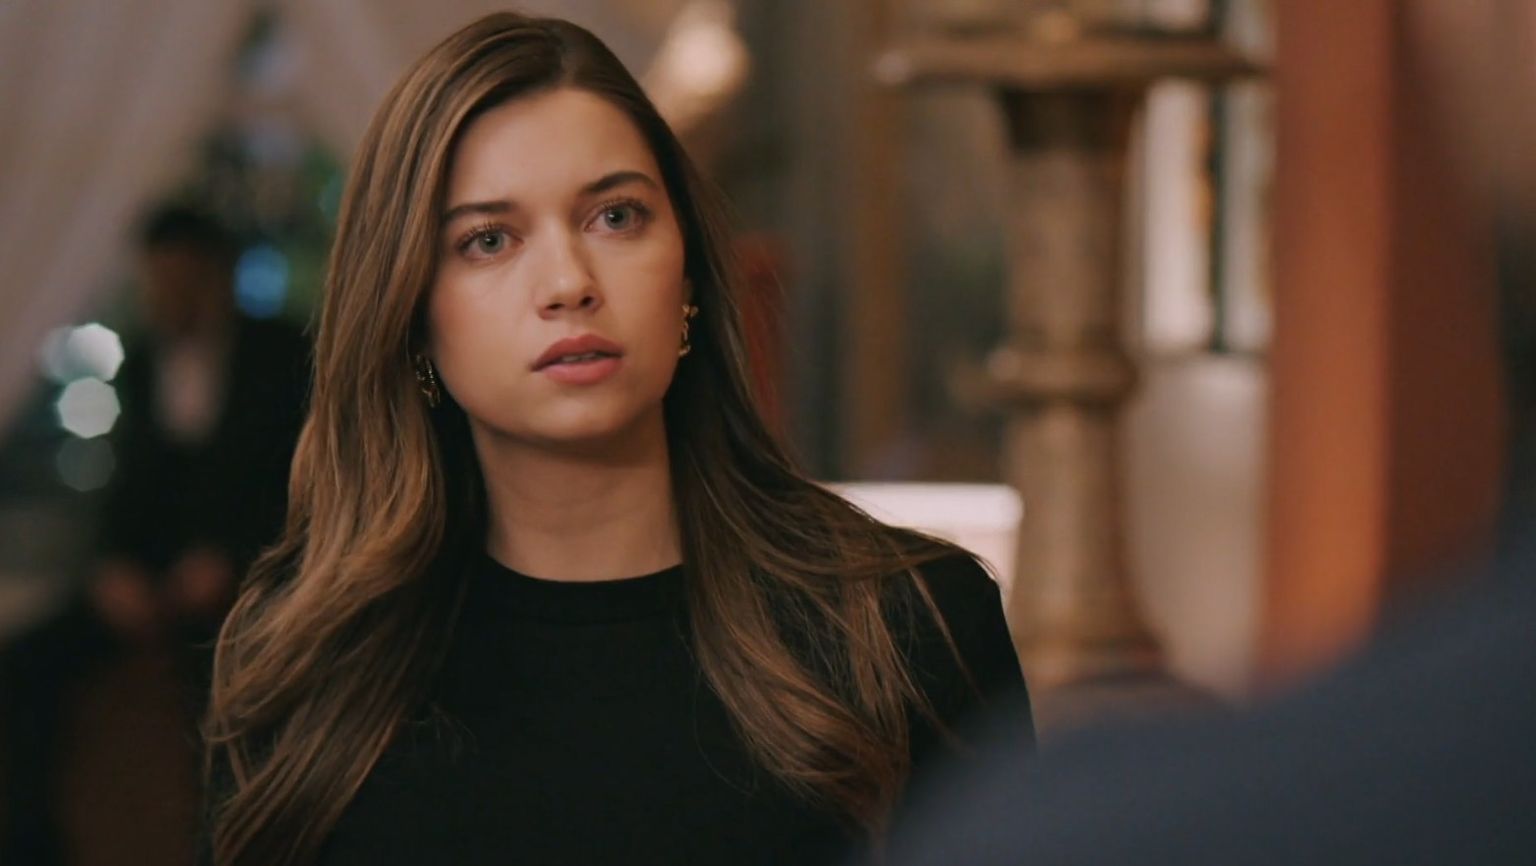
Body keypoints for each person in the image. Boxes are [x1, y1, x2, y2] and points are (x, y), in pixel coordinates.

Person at [199, 13, 1031, 866]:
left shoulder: (909, 627)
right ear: (412, 316)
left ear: (689, 276)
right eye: (489, 240)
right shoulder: (309, 664)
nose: (568, 282)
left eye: (616, 216)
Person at [0, 205, 308, 865]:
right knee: (23, 664)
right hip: (152, 580)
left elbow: (297, 483)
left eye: (179, 280)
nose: (166, 296)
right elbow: (129, 489)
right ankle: (31, 845)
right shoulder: (141, 361)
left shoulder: (281, 354)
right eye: (157, 281)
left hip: (250, 578)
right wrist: (113, 568)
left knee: (232, 692)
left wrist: (232, 559)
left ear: (215, 274)